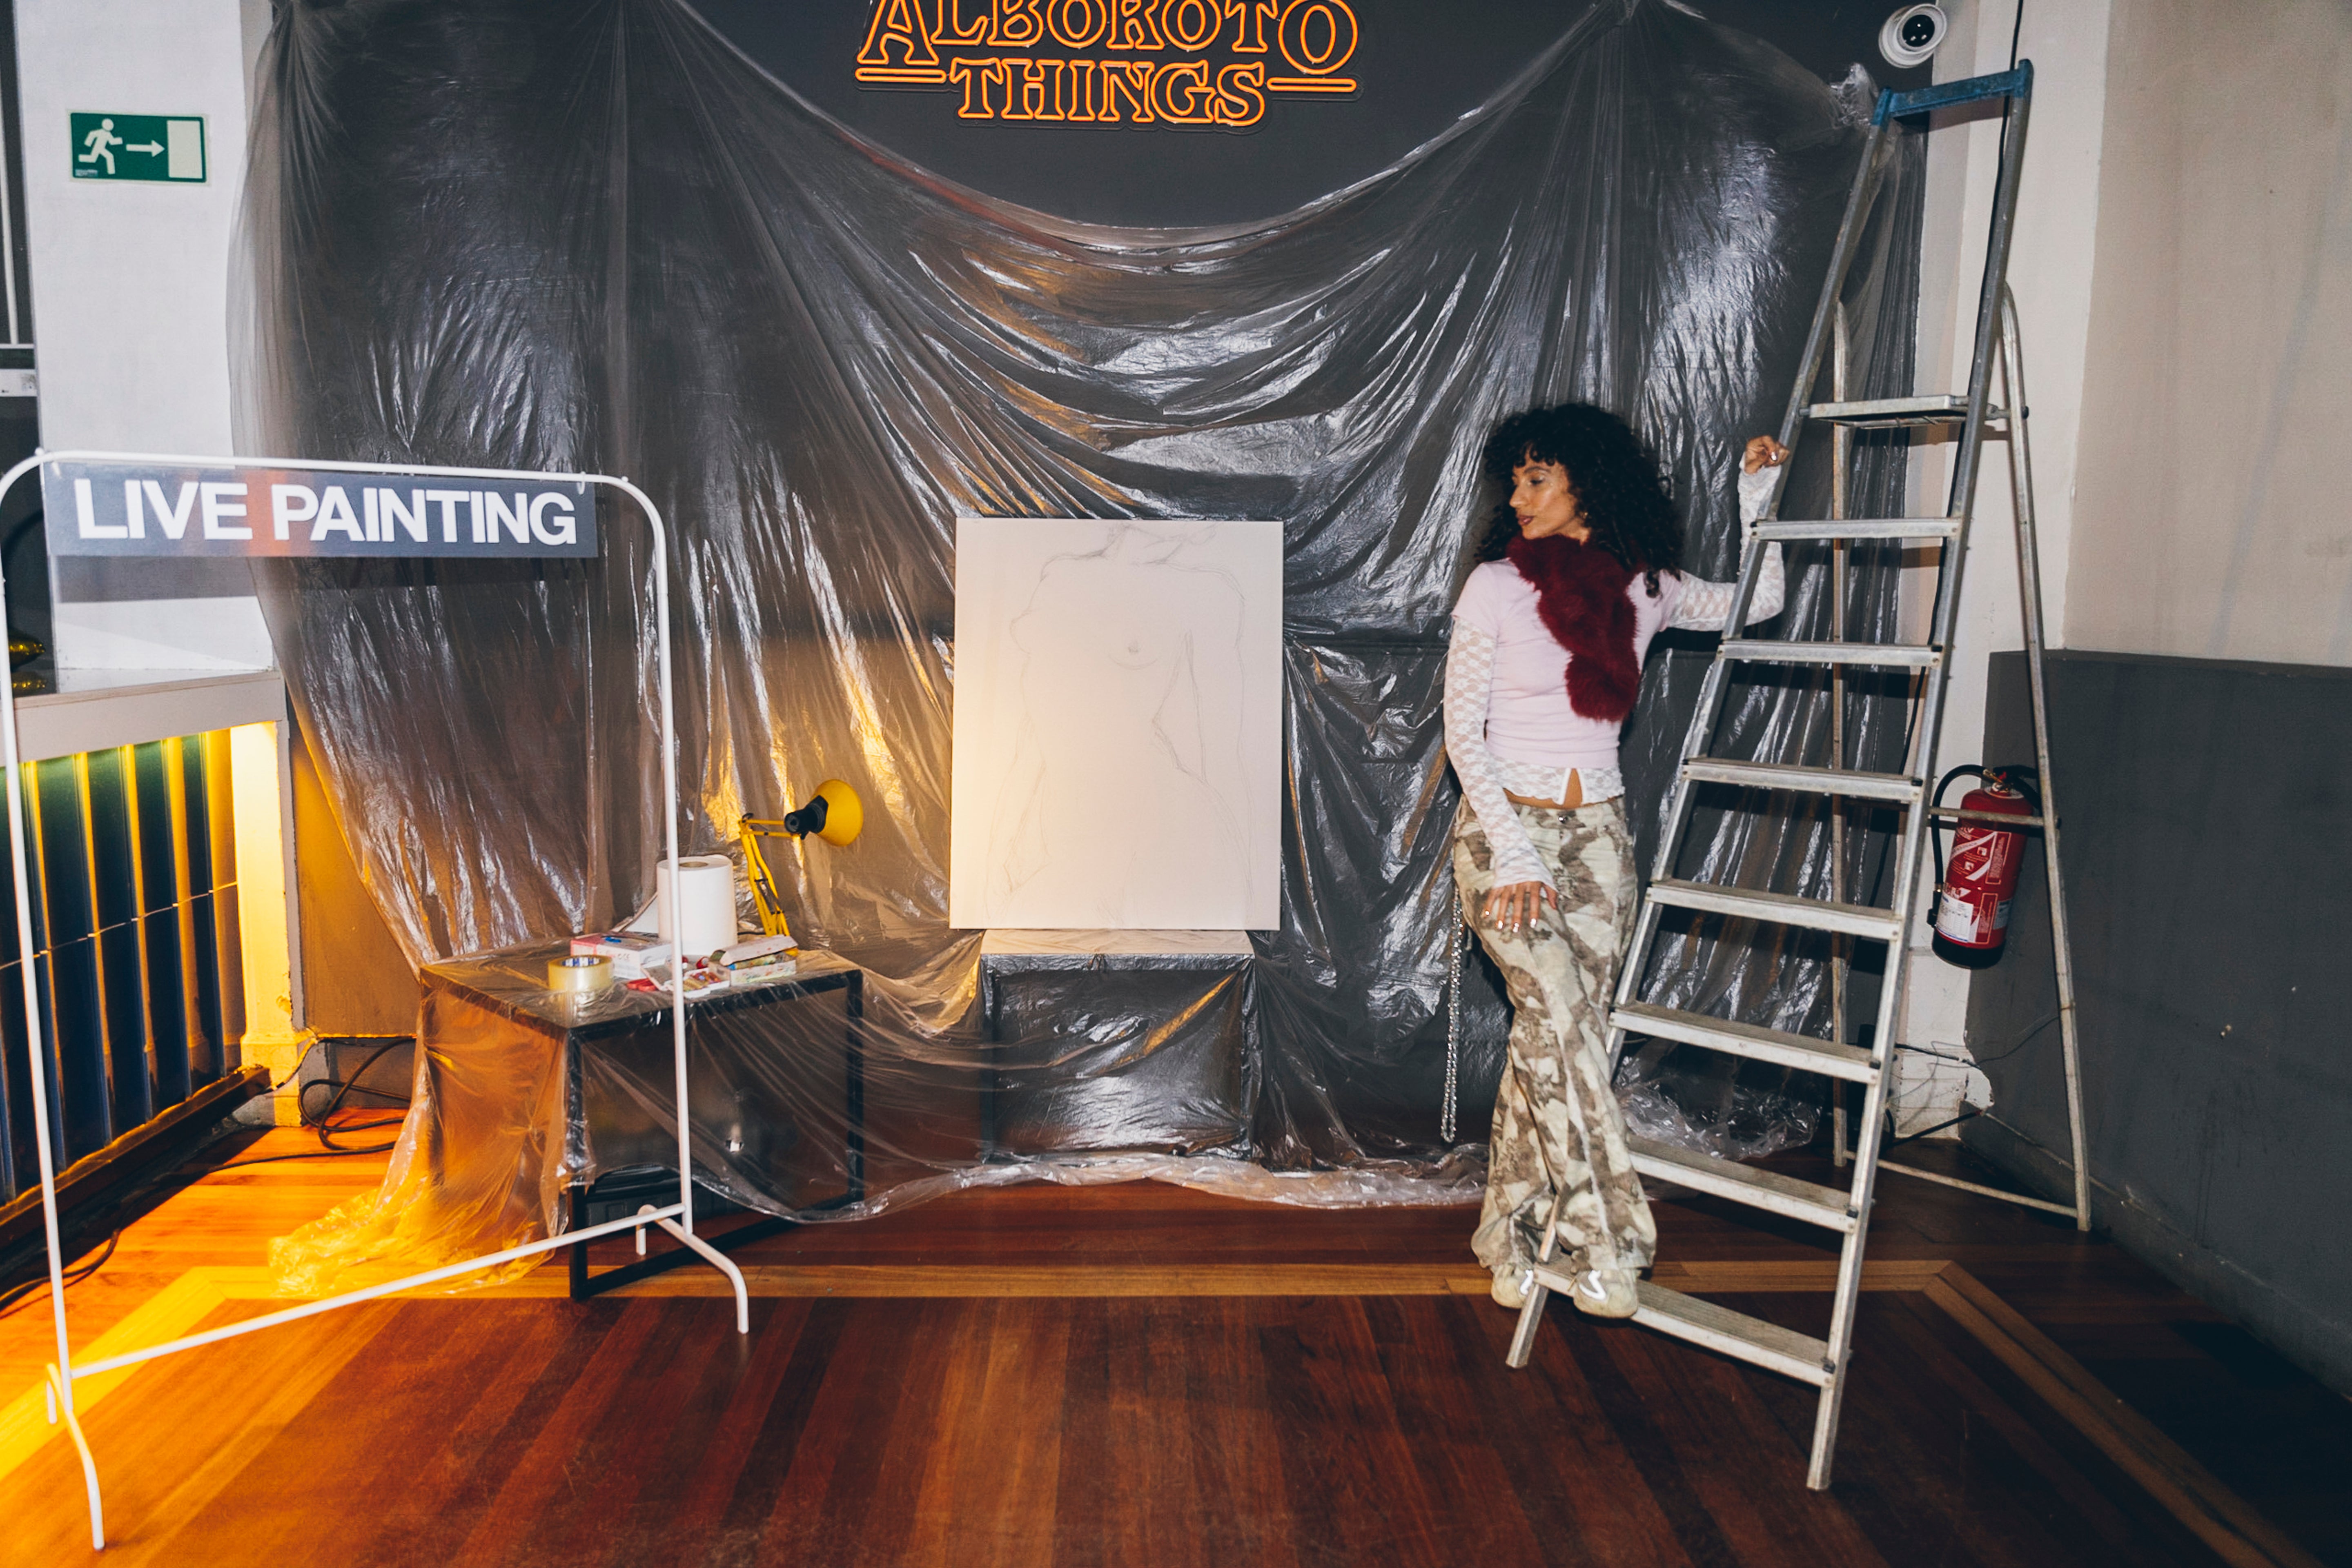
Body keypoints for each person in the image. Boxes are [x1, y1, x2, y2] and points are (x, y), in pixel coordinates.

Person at [1444, 402, 1788, 1318]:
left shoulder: (1649, 588)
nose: (1520, 497)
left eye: (1538, 478)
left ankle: (1510, 1232)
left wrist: (1758, 497)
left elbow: (1759, 601)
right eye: (1516, 481)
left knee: (1559, 1038)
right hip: (1501, 834)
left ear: (1586, 484)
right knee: (1558, 1015)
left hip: (1599, 835)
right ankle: (1611, 1241)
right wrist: (1515, 854)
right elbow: (1462, 733)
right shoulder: (1495, 586)